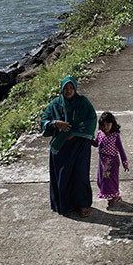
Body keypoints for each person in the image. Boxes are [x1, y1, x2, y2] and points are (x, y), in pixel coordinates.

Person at [41, 76, 97, 217]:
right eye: (66, 88)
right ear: (62, 89)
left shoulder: (82, 102)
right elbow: (44, 122)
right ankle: (65, 204)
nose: (68, 91)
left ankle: (83, 205)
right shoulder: (55, 104)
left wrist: (73, 132)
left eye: (71, 88)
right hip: (61, 146)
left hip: (80, 145)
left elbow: (91, 120)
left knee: (80, 175)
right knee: (62, 175)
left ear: (75, 89)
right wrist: (55, 123)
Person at [92, 111, 129, 207]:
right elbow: (96, 143)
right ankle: (108, 193)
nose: (106, 127)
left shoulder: (115, 136)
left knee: (112, 179)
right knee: (102, 180)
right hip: (102, 162)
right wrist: (88, 139)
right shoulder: (100, 133)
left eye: (108, 124)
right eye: (103, 125)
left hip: (112, 162)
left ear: (113, 123)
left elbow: (121, 150)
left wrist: (125, 162)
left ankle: (115, 196)